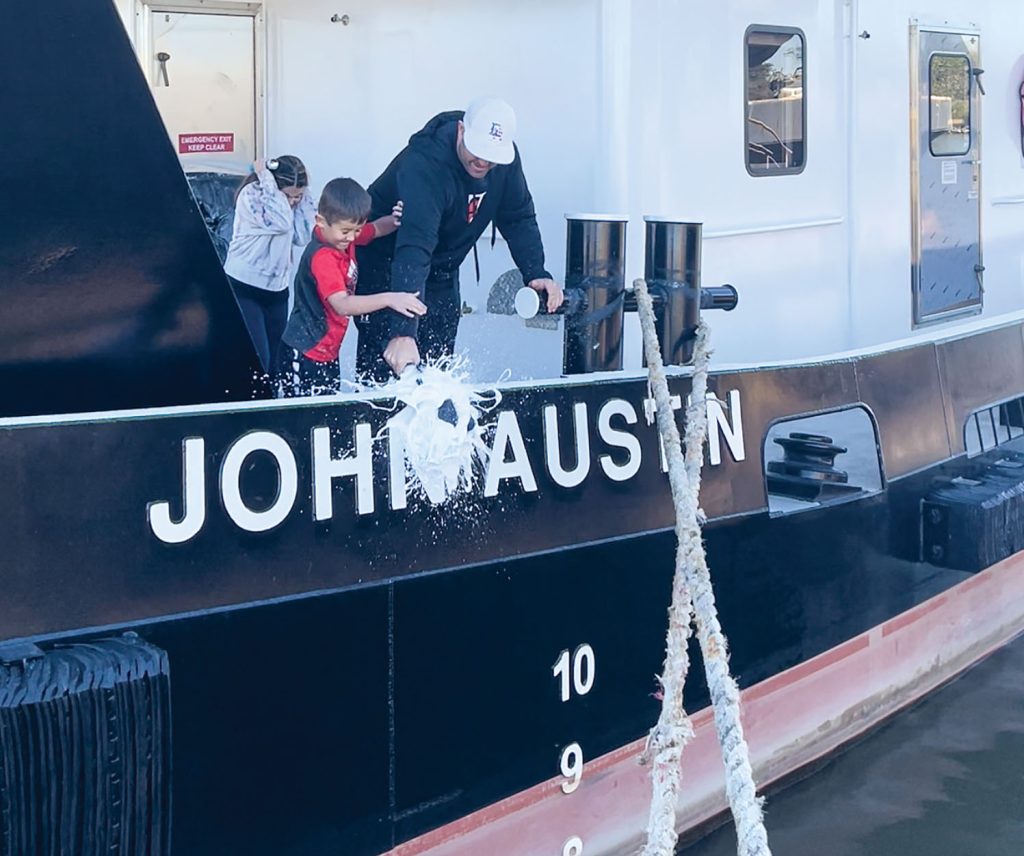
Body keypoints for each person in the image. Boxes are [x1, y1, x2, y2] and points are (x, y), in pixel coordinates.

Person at [355, 97, 564, 382]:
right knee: (390, 370)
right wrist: (402, 331)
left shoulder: (504, 161)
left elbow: (518, 216)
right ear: (461, 131)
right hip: (390, 268)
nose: (483, 161)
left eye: (491, 156)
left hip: (441, 269)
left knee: (437, 371)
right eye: (477, 151)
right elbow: (414, 247)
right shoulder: (425, 164)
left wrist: (536, 272)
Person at [278, 178, 425, 396]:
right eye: (346, 231)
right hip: (305, 352)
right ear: (320, 221)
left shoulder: (345, 236)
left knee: (326, 410)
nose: (352, 237)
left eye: (356, 230)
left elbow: (375, 229)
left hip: (327, 352)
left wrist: (396, 220)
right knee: (302, 415)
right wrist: (390, 298)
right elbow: (342, 304)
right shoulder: (323, 257)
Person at [224, 156, 315, 373]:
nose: (293, 202)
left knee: (276, 361)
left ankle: (273, 402)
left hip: (276, 289)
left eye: (298, 196)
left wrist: (304, 194)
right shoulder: (253, 195)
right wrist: (265, 177)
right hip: (244, 284)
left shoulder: (287, 203)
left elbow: (304, 234)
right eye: (289, 196)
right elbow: (281, 222)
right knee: (258, 358)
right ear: (274, 186)